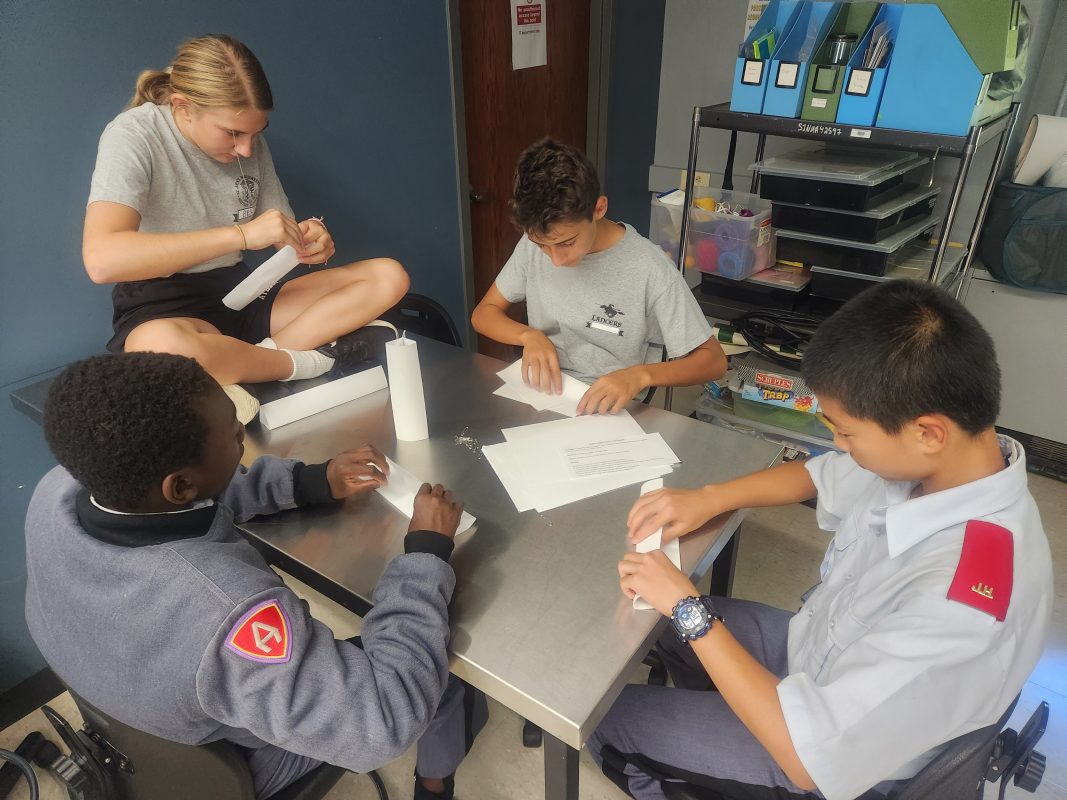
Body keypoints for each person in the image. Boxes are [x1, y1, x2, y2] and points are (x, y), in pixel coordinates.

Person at [587, 280, 1052, 799]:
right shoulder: (950, 463)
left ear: (928, 431)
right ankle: (715, 724)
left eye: (848, 433)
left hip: (825, 758)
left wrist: (689, 608)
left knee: (606, 718)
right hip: (814, 655)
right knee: (656, 625)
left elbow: (811, 758)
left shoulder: (956, 606)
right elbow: (818, 475)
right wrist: (710, 497)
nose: (838, 443)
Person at [24, 352, 486, 800]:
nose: (242, 433)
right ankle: (434, 788)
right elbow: (382, 721)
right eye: (233, 435)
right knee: (436, 669)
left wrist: (310, 481)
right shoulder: (225, 613)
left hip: (126, 714)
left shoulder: (59, 490)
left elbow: (198, 495)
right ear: (182, 484)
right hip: (228, 764)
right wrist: (426, 552)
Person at [83, 34, 409, 413]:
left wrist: (307, 239)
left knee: (389, 276)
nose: (246, 149)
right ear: (184, 107)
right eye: (233, 133)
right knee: (165, 349)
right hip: (162, 307)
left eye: (257, 133)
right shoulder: (134, 134)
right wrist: (239, 234)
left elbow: (282, 234)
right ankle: (303, 362)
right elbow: (102, 259)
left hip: (239, 295)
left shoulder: (248, 142)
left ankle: (250, 364)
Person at [470, 138, 726, 415]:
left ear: (599, 208)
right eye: (542, 245)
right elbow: (483, 314)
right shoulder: (533, 244)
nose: (555, 259)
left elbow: (713, 361)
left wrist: (640, 376)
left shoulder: (649, 268)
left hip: (613, 408)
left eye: (567, 243)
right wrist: (528, 336)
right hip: (544, 397)